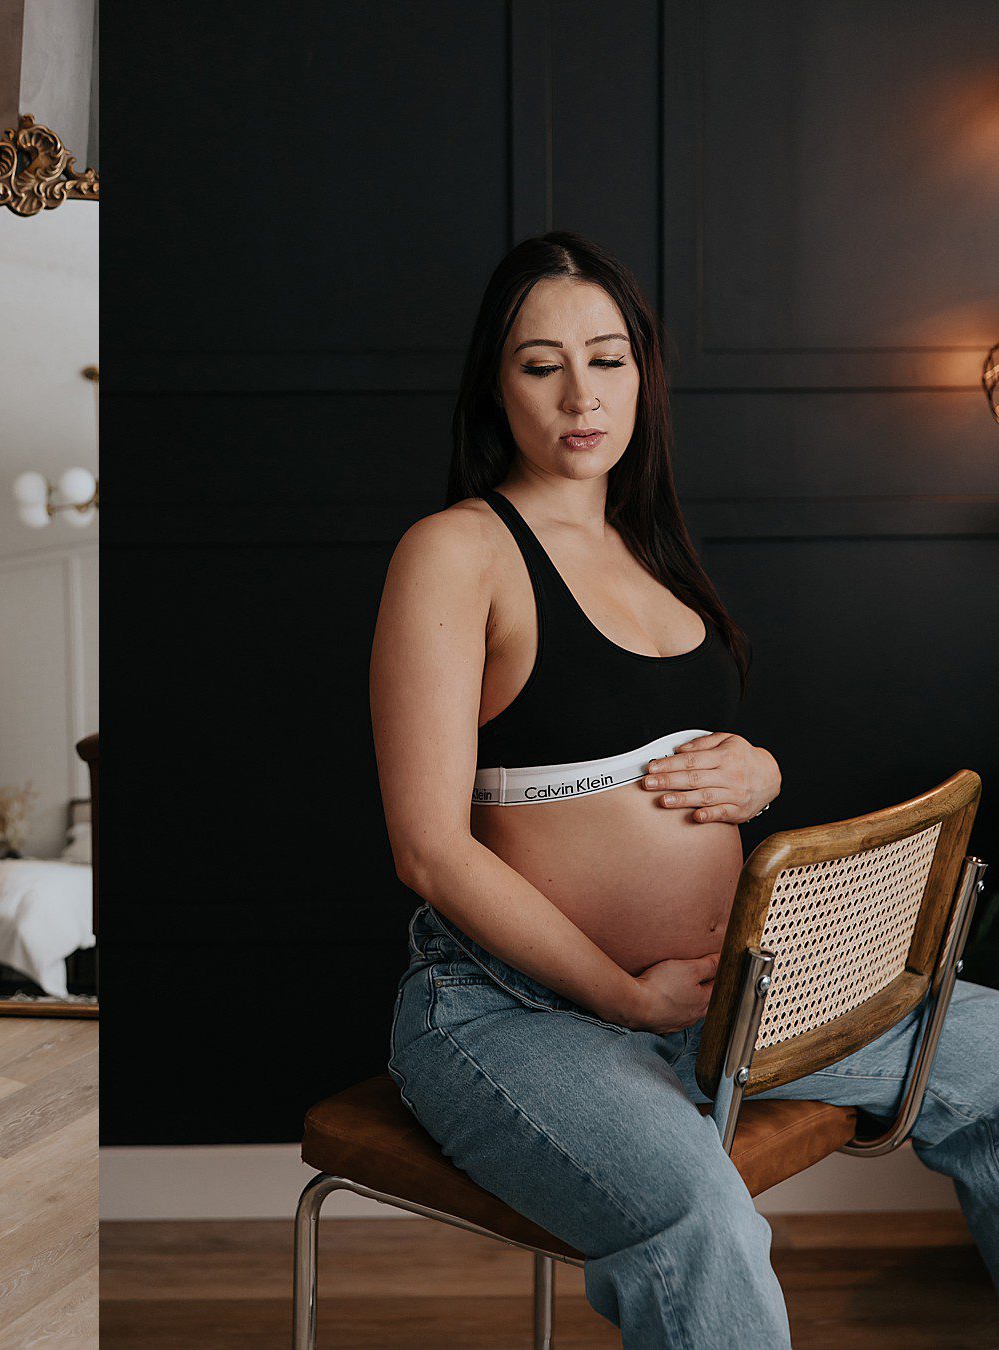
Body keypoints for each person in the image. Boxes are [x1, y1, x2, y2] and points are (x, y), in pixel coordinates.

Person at [371, 232, 999, 1345]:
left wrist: (759, 771)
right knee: (701, 1216)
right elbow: (427, 847)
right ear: (494, 384)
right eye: (540, 363)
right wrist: (624, 997)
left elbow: (659, 741)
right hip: (521, 1013)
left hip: (736, 994)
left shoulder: (645, 544)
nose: (580, 392)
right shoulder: (456, 550)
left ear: (642, 375)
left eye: (607, 358)